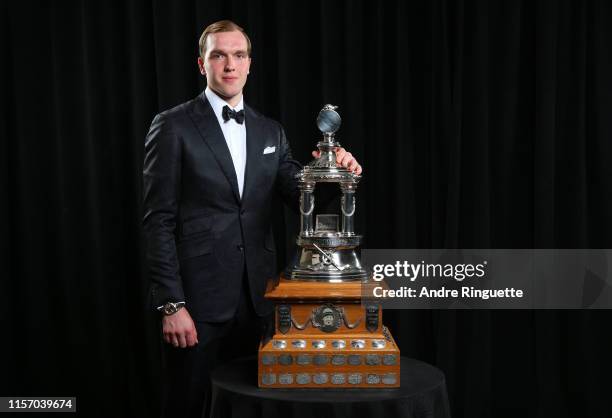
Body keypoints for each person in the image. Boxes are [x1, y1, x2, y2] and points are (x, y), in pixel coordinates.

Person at [142, 20, 362, 418]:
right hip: (197, 305)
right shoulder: (172, 125)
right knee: (187, 408)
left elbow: (298, 196)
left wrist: (335, 172)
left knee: (251, 410)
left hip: (260, 305)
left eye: (238, 55)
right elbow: (158, 221)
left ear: (249, 64)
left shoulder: (269, 131)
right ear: (201, 63)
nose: (230, 65)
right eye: (219, 55)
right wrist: (171, 305)